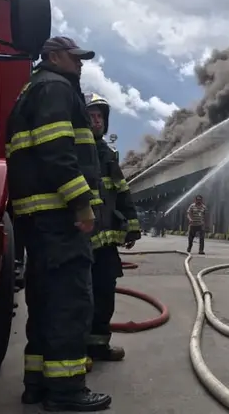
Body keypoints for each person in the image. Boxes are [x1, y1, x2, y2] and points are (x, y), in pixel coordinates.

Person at [6, 36, 112, 412]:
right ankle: (66, 392)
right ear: (53, 57)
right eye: (75, 58)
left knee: (44, 300)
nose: (80, 65)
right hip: (59, 216)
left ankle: (36, 383)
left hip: (37, 219)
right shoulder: (56, 88)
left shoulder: (32, 89)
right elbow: (57, 152)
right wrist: (81, 204)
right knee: (70, 303)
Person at [84, 93, 142, 365]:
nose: (96, 121)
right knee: (78, 298)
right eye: (91, 116)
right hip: (78, 242)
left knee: (105, 293)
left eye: (100, 117)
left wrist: (131, 226)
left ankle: (98, 345)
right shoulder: (73, 149)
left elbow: (121, 192)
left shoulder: (108, 154)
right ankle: (75, 351)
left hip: (105, 245)